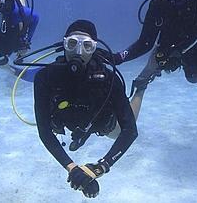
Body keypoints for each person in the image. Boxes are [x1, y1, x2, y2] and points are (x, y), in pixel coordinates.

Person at [32, 20, 137, 199]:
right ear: (64, 44)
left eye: (87, 46)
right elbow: (44, 131)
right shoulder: (45, 78)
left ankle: (140, 88)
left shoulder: (109, 79)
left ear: (95, 48)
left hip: (103, 126)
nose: (78, 51)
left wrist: (100, 167)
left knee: (130, 120)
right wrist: (72, 168)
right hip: (71, 123)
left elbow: (130, 131)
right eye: (72, 43)